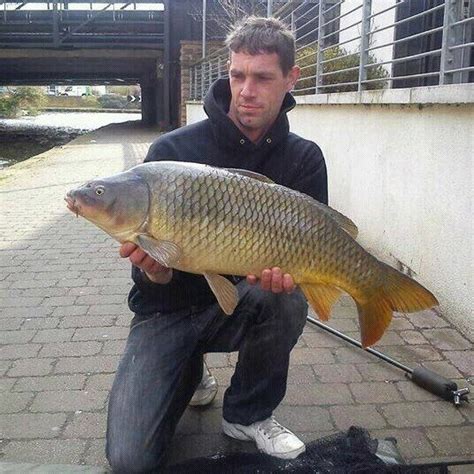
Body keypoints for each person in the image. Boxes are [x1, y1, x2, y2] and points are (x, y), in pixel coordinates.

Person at [106, 16, 328, 473]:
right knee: (130, 462)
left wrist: (292, 278)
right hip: (165, 312)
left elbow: (314, 247)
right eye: (237, 75)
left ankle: (247, 414)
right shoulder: (171, 151)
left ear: (291, 79)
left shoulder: (304, 159)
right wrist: (155, 269)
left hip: (241, 301)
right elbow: (146, 284)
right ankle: (188, 368)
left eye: (263, 78)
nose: (246, 90)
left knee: (285, 297)